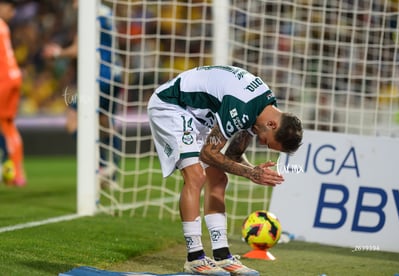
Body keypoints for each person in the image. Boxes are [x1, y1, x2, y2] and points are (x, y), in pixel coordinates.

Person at [147, 65, 303, 275]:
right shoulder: (243, 107)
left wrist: (253, 170)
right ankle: (195, 258)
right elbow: (209, 153)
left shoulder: (264, 109)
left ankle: (222, 256)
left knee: (218, 178)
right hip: (173, 105)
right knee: (196, 175)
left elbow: (232, 157)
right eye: (268, 142)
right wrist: (250, 173)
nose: (263, 143)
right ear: (273, 125)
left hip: (200, 114)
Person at [43, 0, 122, 182]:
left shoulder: (89, 16)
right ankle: (112, 172)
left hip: (100, 77)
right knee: (105, 122)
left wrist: (56, 53)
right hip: (115, 74)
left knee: (72, 119)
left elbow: (78, 49)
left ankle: (98, 165)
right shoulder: (106, 12)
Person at [0, 0, 26, 186]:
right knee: (8, 125)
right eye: (10, 8)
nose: (13, 13)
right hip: (13, 76)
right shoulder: (3, 26)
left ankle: (7, 167)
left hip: (3, 80)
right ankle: (17, 172)